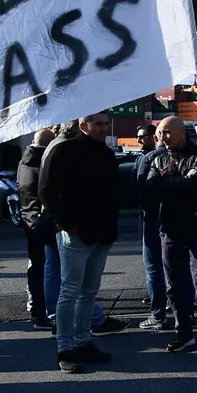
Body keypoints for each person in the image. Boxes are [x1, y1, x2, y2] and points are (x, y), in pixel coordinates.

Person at [40, 113, 122, 374]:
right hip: (76, 234)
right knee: (70, 291)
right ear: (83, 125)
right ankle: (65, 349)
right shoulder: (64, 151)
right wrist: (67, 224)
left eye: (106, 124)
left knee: (89, 291)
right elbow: (46, 191)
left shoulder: (106, 154)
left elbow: (112, 192)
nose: (104, 128)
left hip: (102, 233)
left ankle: (83, 342)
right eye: (98, 123)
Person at [146, 117, 197, 352]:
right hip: (169, 228)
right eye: (160, 133)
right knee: (173, 283)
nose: (161, 138)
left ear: (181, 131)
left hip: (196, 226)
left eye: (165, 133)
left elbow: (195, 186)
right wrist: (181, 181)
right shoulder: (159, 157)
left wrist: (171, 183)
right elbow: (152, 188)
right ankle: (183, 330)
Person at [17, 130, 57, 329]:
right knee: (47, 270)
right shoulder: (42, 163)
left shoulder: (24, 162)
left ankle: (36, 311)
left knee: (35, 268)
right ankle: (47, 313)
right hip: (43, 222)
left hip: (29, 220)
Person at [134, 125, 170, 331]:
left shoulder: (148, 159)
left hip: (153, 218)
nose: (139, 141)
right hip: (178, 219)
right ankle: (185, 312)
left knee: (153, 267)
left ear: (155, 136)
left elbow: (140, 190)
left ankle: (158, 314)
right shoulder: (191, 156)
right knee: (178, 266)